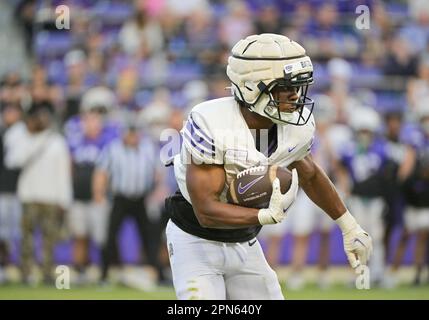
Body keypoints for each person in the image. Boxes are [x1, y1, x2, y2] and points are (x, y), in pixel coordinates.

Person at [164, 34, 373, 300]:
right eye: (285, 86)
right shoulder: (211, 121)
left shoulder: (293, 128)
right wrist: (262, 216)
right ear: (252, 87)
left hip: (244, 241)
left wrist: (349, 226)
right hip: (194, 239)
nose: (295, 95)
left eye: (298, 86)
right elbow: (205, 211)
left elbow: (309, 173)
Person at [5, 100, 72, 285]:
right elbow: (13, 161)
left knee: (49, 238)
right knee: (26, 238)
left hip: (50, 197)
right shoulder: (24, 139)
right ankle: (26, 273)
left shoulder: (57, 142)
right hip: (29, 195)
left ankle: (47, 273)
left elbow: (63, 173)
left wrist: (64, 199)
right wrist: (29, 136)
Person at [92, 115, 161, 285]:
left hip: (141, 199)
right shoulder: (112, 149)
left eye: (135, 133)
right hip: (120, 199)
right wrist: (99, 195)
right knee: (110, 236)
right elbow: (102, 173)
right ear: (124, 133)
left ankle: (156, 272)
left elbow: (158, 173)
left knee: (149, 236)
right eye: (130, 133)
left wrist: (156, 194)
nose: (132, 136)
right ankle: (105, 273)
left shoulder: (148, 148)